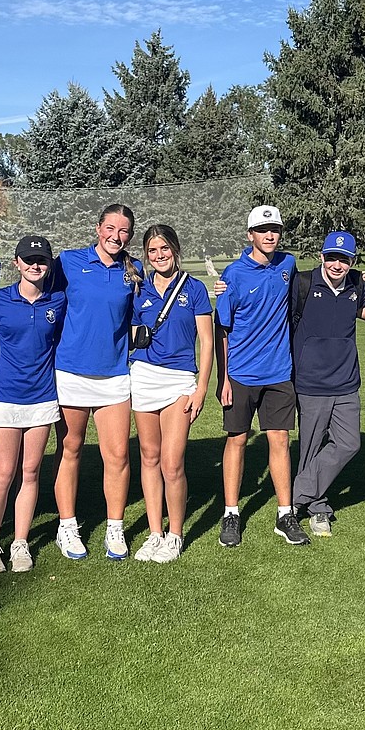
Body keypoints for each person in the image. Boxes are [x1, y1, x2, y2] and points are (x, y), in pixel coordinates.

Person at [214, 205, 307, 547]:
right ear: (250, 234)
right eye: (263, 229)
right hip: (240, 373)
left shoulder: (288, 265)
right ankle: (231, 513)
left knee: (279, 440)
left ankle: (285, 514)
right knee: (237, 440)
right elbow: (222, 329)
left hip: (279, 372)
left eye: (276, 229)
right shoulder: (233, 275)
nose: (270, 235)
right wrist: (223, 379)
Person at [53, 204, 142, 561]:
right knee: (70, 449)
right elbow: (40, 291)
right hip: (71, 371)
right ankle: (67, 525)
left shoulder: (133, 273)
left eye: (123, 232)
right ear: (97, 227)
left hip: (115, 375)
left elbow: (145, 309)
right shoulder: (69, 262)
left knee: (118, 455)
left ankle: (115, 527)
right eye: (110, 228)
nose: (115, 236)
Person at [0, 236, 67, 574]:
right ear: (16, 263)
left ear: (49, 266)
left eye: (41, 260)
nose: (35, 265)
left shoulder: (57, 302)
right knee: (2, 473)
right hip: (4, 397)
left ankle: (19, 543)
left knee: (30, 473)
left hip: (42, 397)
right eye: (28, 259)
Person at [129, 224, 213, 562]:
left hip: (179, 381)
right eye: (152, 251)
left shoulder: (194, 288)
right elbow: (132, 331)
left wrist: (202, 387)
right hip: (144, 376)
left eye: (164, 249)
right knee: (149, 457)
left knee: (172, 462)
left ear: (175, 250)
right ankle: (155, 533)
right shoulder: (139, 289)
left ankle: (175, 534)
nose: (159, 255)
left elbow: (206, 342)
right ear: (146, 255)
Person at [291, 231, 365, 538]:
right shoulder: (301, 283)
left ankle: (295, 496)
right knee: (310, 449)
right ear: (321, 257)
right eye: (332, 257)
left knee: (349, 443)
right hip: (310, 381)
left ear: (352, 262)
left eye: (344, 259)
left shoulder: (357, 286)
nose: (337, 265)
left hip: (347, 381)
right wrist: (225, 286)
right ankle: (319, 508)